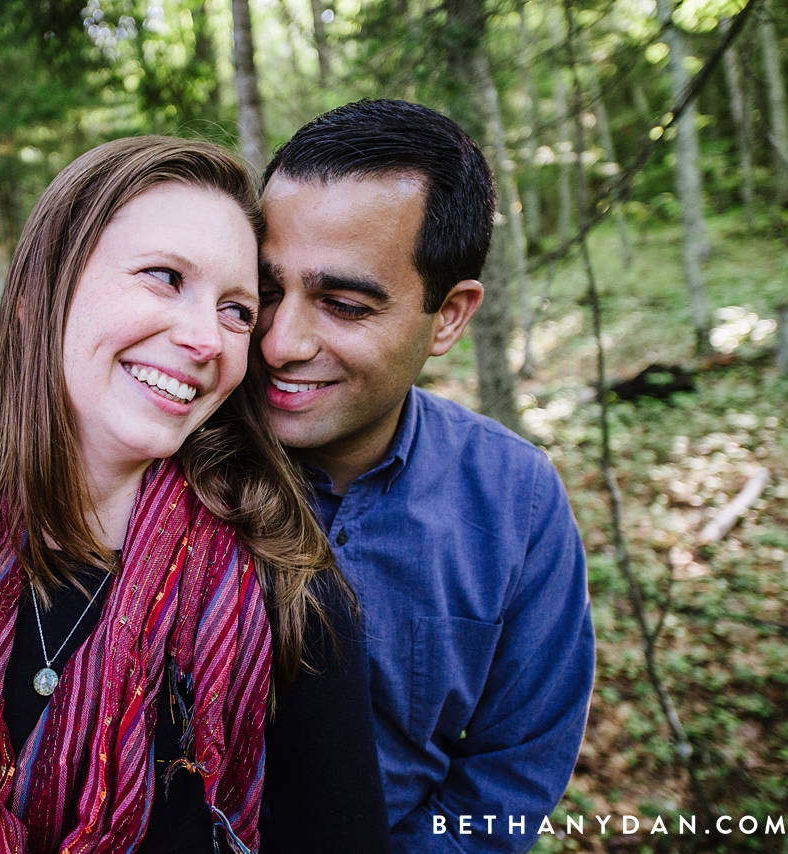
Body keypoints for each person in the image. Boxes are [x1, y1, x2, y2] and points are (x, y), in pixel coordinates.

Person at [0, 135, 389, 854]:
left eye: (238, 310)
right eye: (165, 276)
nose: (207, 337)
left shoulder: (285, 588)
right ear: (38, 291)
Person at [253, 99, 595, 853]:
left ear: (448, 317)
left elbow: (513, 769)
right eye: (268, 290)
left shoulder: (516, 501)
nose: (279, 343)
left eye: (342, 304)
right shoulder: (166, 467)